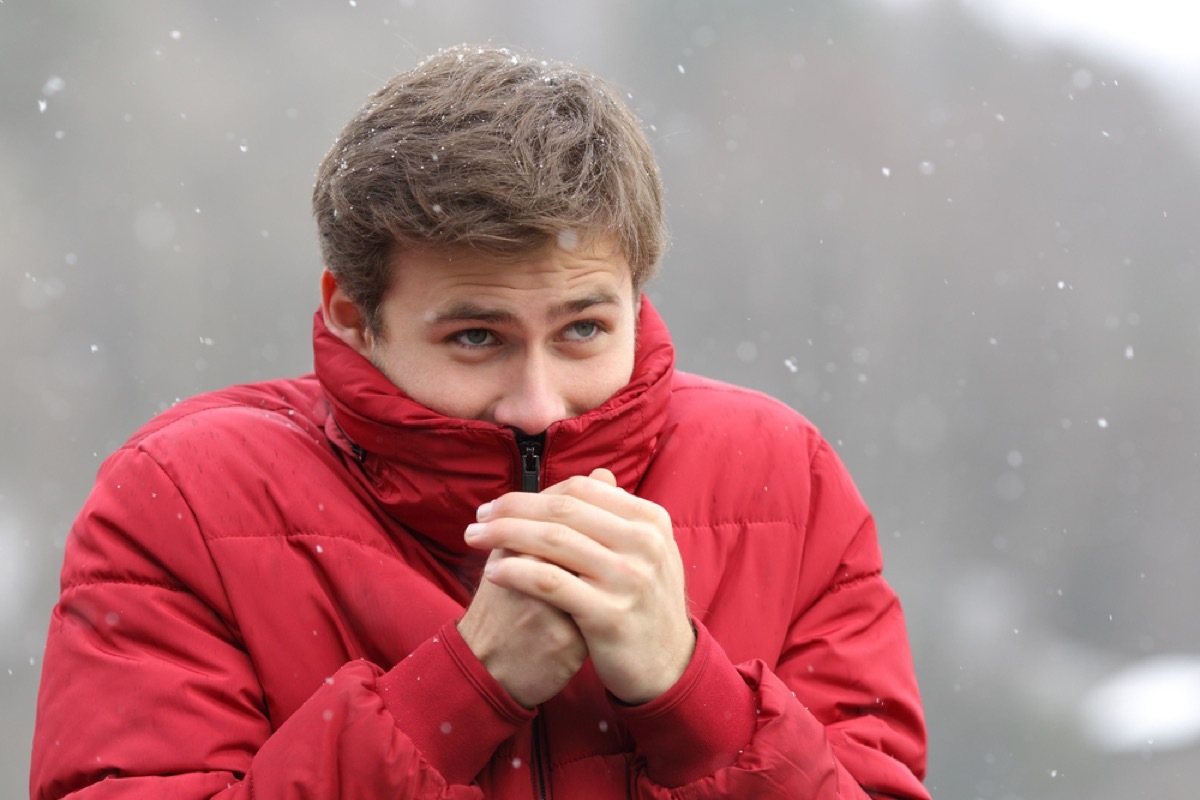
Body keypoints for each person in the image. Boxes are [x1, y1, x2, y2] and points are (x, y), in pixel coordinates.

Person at [30, 45, 929, 799]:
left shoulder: (786, 479)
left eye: (583, 327)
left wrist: (692, 694)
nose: (538, 401)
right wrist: (460, 689)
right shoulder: (180, 500)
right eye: (475, 336)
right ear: (353, 314)